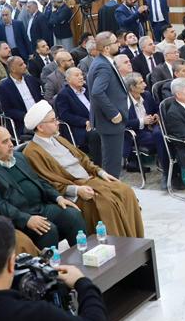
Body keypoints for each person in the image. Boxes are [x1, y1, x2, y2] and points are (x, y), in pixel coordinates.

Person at [23, 102, 145, 238]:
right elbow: (47, 183)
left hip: (91, 180)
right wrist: (77, 190)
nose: (57, 123)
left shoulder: (59, 139)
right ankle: (118, 246)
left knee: (126, 191)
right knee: (107, 204)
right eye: (53, 120)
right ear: (40, 127)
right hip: (73, 191)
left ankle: (134, 241)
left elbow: (83, 159)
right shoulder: (32, 152)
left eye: (56, 119)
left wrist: (101, 172)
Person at [0, 126, 86, 250]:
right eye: (5, 142)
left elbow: (39, 181)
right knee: (47, 229)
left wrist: (58, 197)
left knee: (73, 215)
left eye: (10, 139)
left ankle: (82, 255)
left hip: (41, 207)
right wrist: (26, 219)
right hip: (19, 217)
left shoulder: (19, 157)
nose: (11, 144)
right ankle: (49, 263)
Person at [86, 31, 129, 179]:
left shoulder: (103, 62)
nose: (119, 44)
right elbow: (97, 92)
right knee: (112, 165)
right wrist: (113, 113)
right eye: (115, 42)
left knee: (112, 162)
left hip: (110, 121)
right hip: (110, 121)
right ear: (106, 48)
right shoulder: (102, 66)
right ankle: (113, 193)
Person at [0, 57, 44, 133]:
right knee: (45, 129)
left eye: (24, 63)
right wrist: (26, 116)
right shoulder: (4, 87)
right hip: (23, 121)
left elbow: (40, 98)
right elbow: (8, 110)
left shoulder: (31, 79)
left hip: (40, 116)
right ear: (13, 69)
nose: (25, 66)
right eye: (21, 65)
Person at [54, 67, 94, 151]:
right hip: (79, 127)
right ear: (68, 80)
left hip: (95, 121)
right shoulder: (63, 94)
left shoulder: (87, 88)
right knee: (96, 134)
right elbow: (65, 115)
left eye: (81, 74)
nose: (81, 77)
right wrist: (85, 122)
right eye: (77, 75)